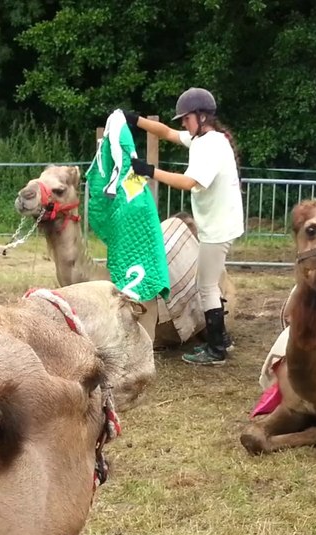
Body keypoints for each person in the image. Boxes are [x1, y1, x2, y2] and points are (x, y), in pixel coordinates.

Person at [121, 89, 244, 366]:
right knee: (208, 282)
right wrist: (136, 120)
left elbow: (190, 182)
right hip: (218, 223)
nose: (182, 124)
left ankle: (216, 349)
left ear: (201, 117)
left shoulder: (212, 146)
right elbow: (166, 133)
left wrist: (149, 171)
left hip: (217, 227)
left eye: (186, 118)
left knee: (206, 286)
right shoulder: (203, 139)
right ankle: (221, 339)